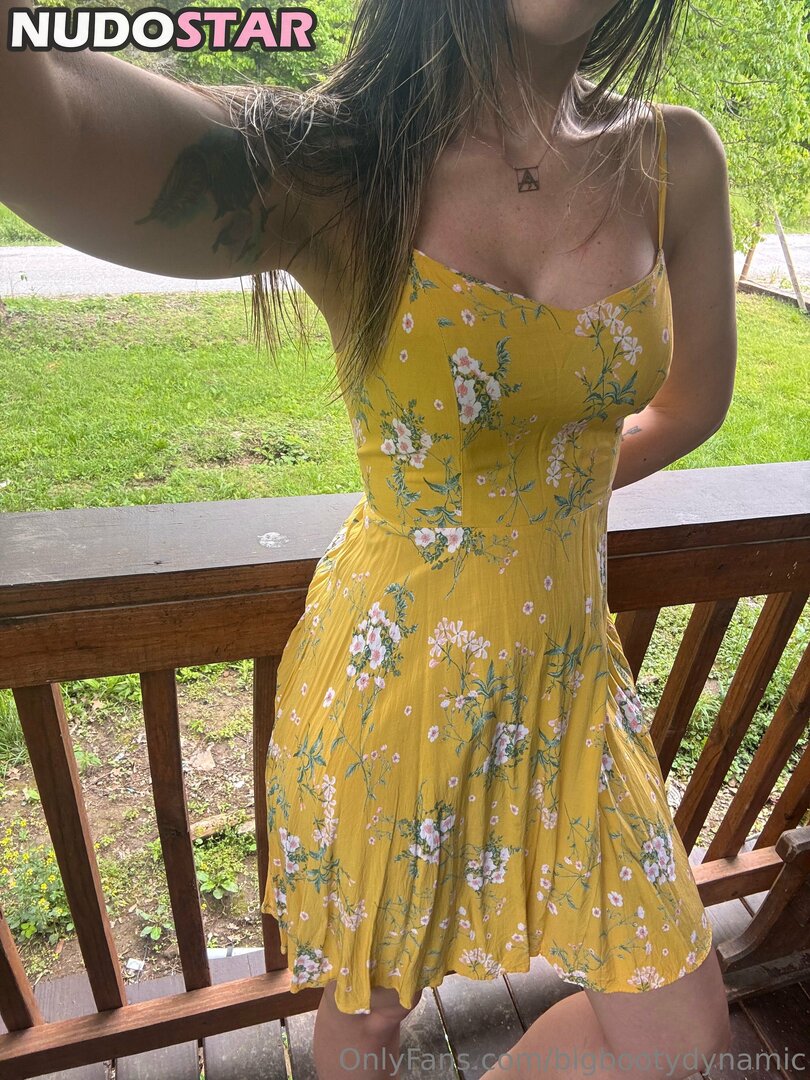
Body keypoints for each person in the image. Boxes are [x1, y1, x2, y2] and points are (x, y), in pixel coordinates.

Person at [1, 0, 737, 1076]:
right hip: (393, 689)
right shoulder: (344, 163)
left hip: (573, 692)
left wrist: (533, 494)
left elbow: (693, 401)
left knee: (680, 1028)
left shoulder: (675, 158)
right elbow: (54, 122)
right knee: (369, 1015)